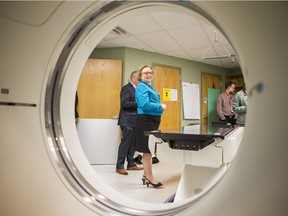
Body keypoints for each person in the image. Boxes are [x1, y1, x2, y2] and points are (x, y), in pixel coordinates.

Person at [135, 65, 166, 188]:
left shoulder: (149, 87)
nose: (148, 74)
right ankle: (150, 177)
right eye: (145, 73)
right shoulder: (141, 86)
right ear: (140, 75)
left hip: (152, 120)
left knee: (148, 149)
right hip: (145, 120)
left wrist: (158, 110)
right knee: (147, 150)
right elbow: (145, 104)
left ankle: (145, 175)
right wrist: (160, 107)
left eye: (150, 72)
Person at [116, 71, 143, 175]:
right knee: (125, 144)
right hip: (127, 121)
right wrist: (138, 103)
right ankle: (119, 166)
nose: (140, 81)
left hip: (134, 121)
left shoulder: (136, 90)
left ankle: (131, 165)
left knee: (133, 144)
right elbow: (125, 103)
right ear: (133, 78)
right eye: (139, 78)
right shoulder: (127, 88)